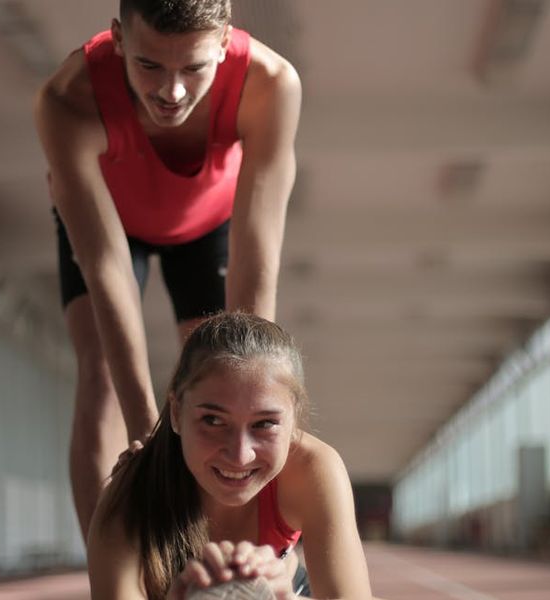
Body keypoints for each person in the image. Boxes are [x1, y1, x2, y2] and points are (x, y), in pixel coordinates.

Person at [33, 0, 301, 541]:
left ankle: (221, 548)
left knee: (218, 377)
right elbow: (108, 270)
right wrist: (146, 438)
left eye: (194, 68)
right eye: (149, 65)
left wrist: (251, 392)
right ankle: (111, 568)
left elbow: (256, 261)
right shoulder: (67, 99)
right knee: (102, 374)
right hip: (106, 220)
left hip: (208, 224)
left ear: (225, 42)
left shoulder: (270, 84)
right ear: (118, 40)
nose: (171, 91)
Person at [87, 312, 373, 599]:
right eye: (212, 420)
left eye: (264, 424)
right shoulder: (129, 495)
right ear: (176, 412)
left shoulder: (314, 468)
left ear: (293, 420)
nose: (239, 454)